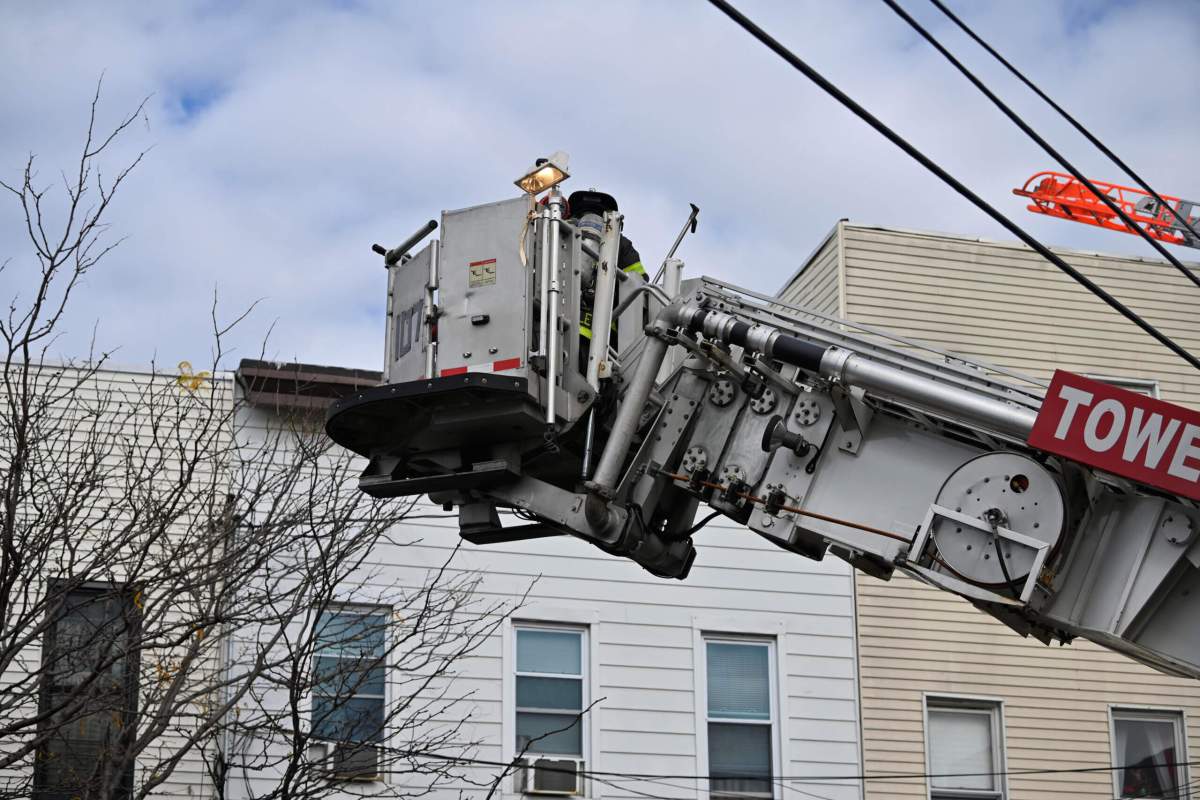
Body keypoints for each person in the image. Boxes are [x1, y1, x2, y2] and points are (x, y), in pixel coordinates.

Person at [566, 190, 647, 357]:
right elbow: (639, 286)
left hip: (560, 326)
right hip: (601, 339)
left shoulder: (560, 230)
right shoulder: (621, 244)